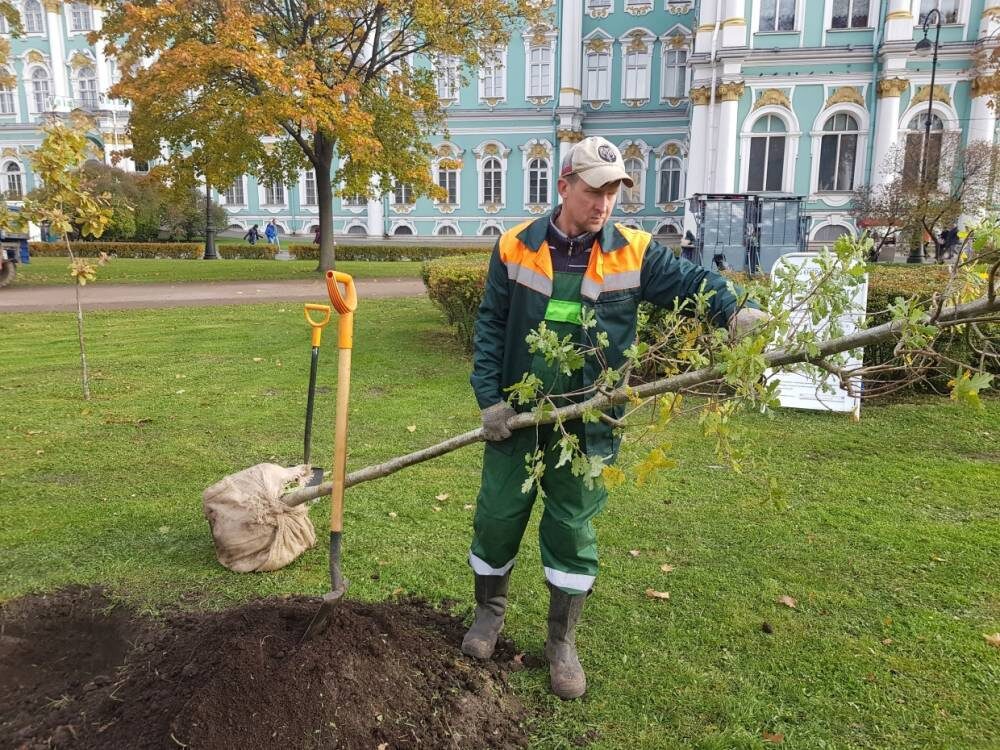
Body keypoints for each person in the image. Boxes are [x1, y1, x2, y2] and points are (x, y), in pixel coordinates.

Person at [463, 136, 766, 701]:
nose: (604, 203)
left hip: (589, 424)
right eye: (593, 190)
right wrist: (490, 400)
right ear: (564, 187)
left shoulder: (635, 250)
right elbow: (490, 328)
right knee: (499, 516)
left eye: (613, 192)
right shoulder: (513, 247)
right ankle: (489, 613)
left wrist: (735, 309)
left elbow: (693, 283)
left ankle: (561, 642)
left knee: (572, 529)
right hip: (520, 419)